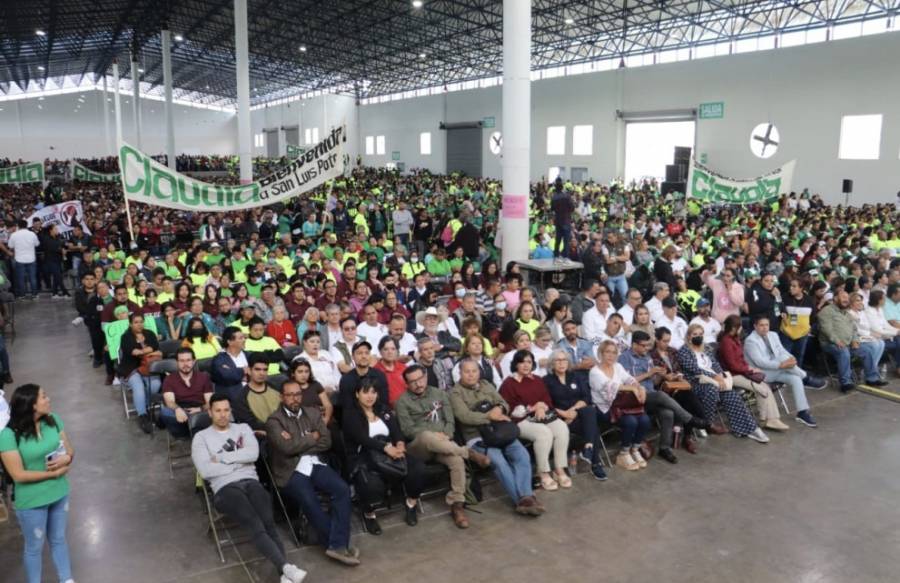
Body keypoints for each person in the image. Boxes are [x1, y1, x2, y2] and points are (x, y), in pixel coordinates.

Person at [191, 394, 308, 583]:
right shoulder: (201, 437)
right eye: (218, 410)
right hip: (225, 489)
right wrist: (239, 461)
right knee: (254, 522)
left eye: (226, 410)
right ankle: (286, 567)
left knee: (268, 523)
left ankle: (284, 574)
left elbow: (253, 454)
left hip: (251, 482)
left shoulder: (242, 428)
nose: (222, 415)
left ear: (231, 411)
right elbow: (205, 470)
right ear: (210, 412)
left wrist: (222, 458)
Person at [265, 377, 359, 566]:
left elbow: (326, 441)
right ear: (281, 397)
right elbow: (286, 448)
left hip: (314, 463)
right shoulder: (274, 421)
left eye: (297, 394)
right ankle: (338, 544)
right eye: (290, 395)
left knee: (341, 489)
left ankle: (335, 544)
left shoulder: (313, 413)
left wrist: (299, 443)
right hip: (290, 470)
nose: (294, 399)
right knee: (309, 500)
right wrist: (311, 437)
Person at [394, 364, 491, 529]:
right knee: (426, 436)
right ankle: (468, 453)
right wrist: (434, 433)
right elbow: (408, 430)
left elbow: (450, 421)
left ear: (425, 377)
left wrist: (445, 434)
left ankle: (457, 505)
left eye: (420, 379)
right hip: (419, 447)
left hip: (443, 443)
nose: (418, 384)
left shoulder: (439, 393)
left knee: (456, 461)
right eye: (413, 382)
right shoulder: (402, 401)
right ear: (407, 384)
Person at [0, 384, 75, 583]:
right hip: (32, 501)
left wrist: (66, 459)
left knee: (59, 539)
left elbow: (69, 450)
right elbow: (18, 475)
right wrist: (53, 474)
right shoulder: (8, 436)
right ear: (31, 405)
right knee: (34, 547)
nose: (48, 399)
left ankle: (67, 579)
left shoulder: (54, 421)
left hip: (59, 493)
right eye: (43, 396)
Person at [449, 359, 543, 515]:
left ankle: (526, 498)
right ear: (460, 373)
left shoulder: (486, 384)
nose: (471, 375)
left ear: (479, 372)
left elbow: (503, 402)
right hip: (477, 437)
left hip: (500, 431)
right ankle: (523, 500)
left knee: (521, 454)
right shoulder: (455, 392)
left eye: (474, 371)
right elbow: (464, 416)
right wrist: (490, 416)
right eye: (467, 372)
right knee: (498, 461)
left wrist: (499, 408)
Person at [342, 376, 424, 534]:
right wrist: (386, 448)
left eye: (374, 392)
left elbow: (395, 430)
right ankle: (369, 513)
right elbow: (362, 438)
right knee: (371, 483)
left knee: (418, 468)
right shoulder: (350, 414)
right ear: (357, 394)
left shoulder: (383, 409)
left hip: (390, 452)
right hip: (363, 455)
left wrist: (399, 443)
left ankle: (411, 503)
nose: (370, 396)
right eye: (365, 392)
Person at [618, 331, 708, 464]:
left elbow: (653, 382)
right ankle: (689, 419)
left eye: (648, 345)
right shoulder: (624, 358)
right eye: (643, 346)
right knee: (661, 395)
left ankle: (664, 448)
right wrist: (649, 373)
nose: (646, 349)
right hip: (635, 396)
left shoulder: (647, 357)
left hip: (651, 394)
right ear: (634, 344)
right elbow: (625, 382)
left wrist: (661, 376)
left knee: (668, 413)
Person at [676, 324, 769, 443]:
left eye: (700, 334)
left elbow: (715, 364)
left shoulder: (706, 348)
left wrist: (720, 374)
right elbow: (693, 368)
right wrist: (714, 376)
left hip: (715, 380)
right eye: (695, 334)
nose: (698, 337)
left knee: (731, 395)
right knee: (711, 390)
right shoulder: (684, 351)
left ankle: (749, 429)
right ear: (689, 336)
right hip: (696, 382)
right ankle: (705, 424)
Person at [499, 350, 572, 491]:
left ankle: (559, 469)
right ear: (516, 364)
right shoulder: (509, 383)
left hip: (541, 415)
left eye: (529, 362)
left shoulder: (537, 380)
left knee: (562, 428)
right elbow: (509, 409)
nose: (526, 365)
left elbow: (547, 400)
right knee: (543, 433)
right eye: (522, 362)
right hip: (520, 420)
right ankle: (543, 472)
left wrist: (541, 407)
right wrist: (532, 408)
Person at [717, 316, 791, 431]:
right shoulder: (726, 342)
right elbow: (733, 365)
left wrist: (750, 368)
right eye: (740, 326)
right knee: (761, 389)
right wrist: (750, 370)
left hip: (742, 372)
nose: (742, 328)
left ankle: (772, 419)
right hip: (733, 375)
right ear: (734, 327)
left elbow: (741, 361)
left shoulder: (735, 338)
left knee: (765, 386)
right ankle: (766, 420)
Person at [743, 316, 820, 428]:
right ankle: (806, 378)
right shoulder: (750, 341)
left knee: (795, 378)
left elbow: (781, 350)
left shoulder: (773, 335)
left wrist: (791, 358)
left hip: (778, 369)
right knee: (782, 359)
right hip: (762, 373)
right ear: (755, 326)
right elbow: (760, 362)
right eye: (761, 325)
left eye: (767, 325)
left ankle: (802, 412)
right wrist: (781, 364)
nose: (765, 328)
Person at [543, 350, 607, 479]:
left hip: (578, 414)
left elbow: (586, 397)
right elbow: (547, 405)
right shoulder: (546, 380)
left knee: (589, 410)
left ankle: (589, 449)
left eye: (564, 360)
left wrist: (573, 410)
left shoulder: (575, 376)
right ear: (552, 364)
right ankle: (595, 462)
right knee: (593, 427)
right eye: (558, 360)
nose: (562, 363)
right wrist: (565, 414)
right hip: (561, 419)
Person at [589, 340, 652, 471]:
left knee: (645, 420)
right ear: (601, 353)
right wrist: (631, 388)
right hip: (605, 409)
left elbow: (630, 379)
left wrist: (640, 388)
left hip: (622, 406)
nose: (611, 355)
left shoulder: (617, 366)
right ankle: (623, 454)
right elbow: (610, 386)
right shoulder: (594, 372)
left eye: (614, 352)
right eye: (607, 352)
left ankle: (634, 449)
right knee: (631, 421)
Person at [818, 289, 886, 392]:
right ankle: (846, 383)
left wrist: (855, 340)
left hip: (848, 343)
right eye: (843, 297)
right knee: (843, 352)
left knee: (867, 351)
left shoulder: (846, 313)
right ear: (835, 298)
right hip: (830, 343)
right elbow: (826, 329)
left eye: (847, 298)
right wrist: (837, 341)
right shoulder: (826, 311)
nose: (846, 300)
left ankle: (872, 379)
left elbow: (854, 329)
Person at [120, 312, 162, 434]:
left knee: (155, 386)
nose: (139, 325)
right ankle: (143, 415)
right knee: (138, 387)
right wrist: (149, 351)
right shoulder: (126, 337)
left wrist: (144, 351)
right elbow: (133, 352)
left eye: (141, 322)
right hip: (131, 367)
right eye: (136, 322)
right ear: (130, 324)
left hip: (149, 366)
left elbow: (155, 346)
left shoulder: (149, 333)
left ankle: (145, 406)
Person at [160, 347, 213, 438]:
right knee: (165, 412)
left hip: (199, 411)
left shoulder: (203, 377)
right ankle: (192, 432)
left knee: (214, 409)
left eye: (188, 360)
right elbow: (169, 401)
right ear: (177, 362)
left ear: (194, 361)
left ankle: (195, 431)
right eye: (182, 361)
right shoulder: (169, 379)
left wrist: (200, 409)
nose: (185, 364)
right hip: (180, 413)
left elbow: (210, 401)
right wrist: (177, 409)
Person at [230, 353, 283, 432]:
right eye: (257, 369)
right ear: (249, 370)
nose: (262, 373)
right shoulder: (241, 397)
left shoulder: (276, 388)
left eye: (265, 370)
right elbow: (250, 424)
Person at [865, 290, 900, 377]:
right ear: (878, 300)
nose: (885, 301)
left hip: (886, 336)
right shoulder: (869, 311)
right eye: (884, 299)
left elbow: (886, 325)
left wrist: (896, 331)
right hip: (876, 337)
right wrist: (896, 332)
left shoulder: (879, 309)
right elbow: (877, 330)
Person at [211, 326, 249, 399]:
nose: (244, 340)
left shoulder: (248, 355)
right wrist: (244, 371)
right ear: (230, 342)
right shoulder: (219, 359)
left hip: (251, 395)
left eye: (244, 337)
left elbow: (256, 373)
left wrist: (234, 371)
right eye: (241, 338)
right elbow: (226, 376)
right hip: (232, 398)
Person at [8, 219, 40, 299]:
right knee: (32, 277)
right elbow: (37, 244)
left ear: (18, 225)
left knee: (21, 278)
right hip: (31, 258)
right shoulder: (32, 234)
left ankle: (22, 295)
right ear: (26, 225)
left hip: (19, 259)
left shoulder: (14, 235)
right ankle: (35, 294)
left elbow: (10, 246)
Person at [373, 336, 408, 406]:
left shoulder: (404, 368)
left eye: (393, 349)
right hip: (387, 410)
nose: (390, 352)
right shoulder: (374, 371)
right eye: (386, 349)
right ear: (380, 351)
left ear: (397, 351)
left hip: (407, 407)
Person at [550, 178, 574, 261]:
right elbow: (572, 207)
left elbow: (552, 208)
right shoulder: (567, 196)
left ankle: (556, 256)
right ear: (562, 186)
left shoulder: (554, 197)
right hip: (566, 220)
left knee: (558, 240)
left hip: (558, 221)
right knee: (566, 241)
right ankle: (566, 257)